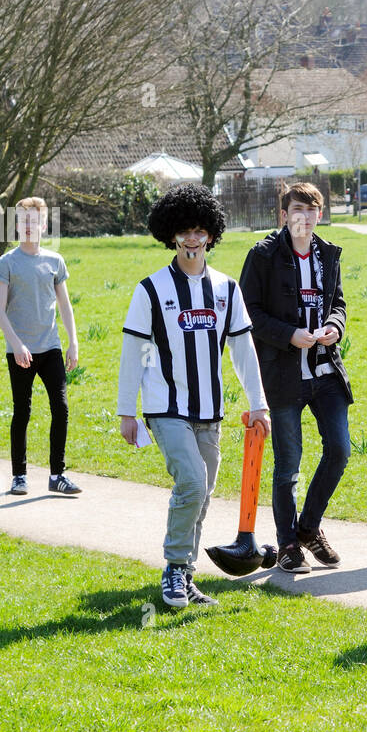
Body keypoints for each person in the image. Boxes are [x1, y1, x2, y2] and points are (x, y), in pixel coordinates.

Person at [117, 184, 269, 609]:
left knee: (201, 494)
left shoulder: (226, 289)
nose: (192, 238)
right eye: (184, 230)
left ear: (211, 234)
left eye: (200, 230)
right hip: (166, 408)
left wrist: (258, 403)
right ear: (172, 235)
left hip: (210, 409)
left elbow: (242, 349)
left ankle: (185, 575)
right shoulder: (149, 290)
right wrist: (126, 411)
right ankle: (173, 569)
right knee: (192, 482)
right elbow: (133, 353)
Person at [239, 182, 350, 574]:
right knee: (288, 464)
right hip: (284, 375)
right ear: (284, 215)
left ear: (320, 215)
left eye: (312, 209)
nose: (304, 216)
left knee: (340, 450)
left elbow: (337, 302)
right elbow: (247, 311)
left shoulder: (327, 254)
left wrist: (335, 325)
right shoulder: (263, 255)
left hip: (324, 371)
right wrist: (289, 335)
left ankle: (309, 528)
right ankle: (288, 543)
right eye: (297, 209)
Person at [0, 197, 81, 497]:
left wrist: (73, 342)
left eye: (34, 221)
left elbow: (65, 305)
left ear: (43, 225)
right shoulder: (7, 263)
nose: (28, 227)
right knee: (22, 412)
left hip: (51, 347)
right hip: (20, 351)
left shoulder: (55, 261)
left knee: (62, 409)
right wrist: (16, 345)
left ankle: (58, 474)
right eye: (23, 221)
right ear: (17, 224)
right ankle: (19, 476)